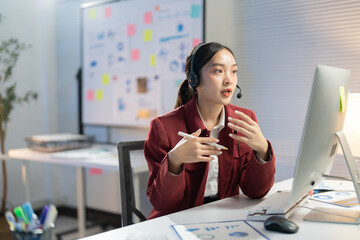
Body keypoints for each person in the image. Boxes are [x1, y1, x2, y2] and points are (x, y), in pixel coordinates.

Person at [144, 42, 275, 219]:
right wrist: (174, 160)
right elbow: (163, 203)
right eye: (218, 71)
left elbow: (256, 192)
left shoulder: (244, 120)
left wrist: (262, 150)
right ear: (194, 79)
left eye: (234, 71)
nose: (229, 80)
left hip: (224, 219)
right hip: (177, 221)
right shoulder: (163, 127)